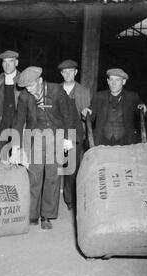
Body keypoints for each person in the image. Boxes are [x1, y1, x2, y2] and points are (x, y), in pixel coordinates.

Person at [11, 66, 75, 230]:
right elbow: (18, 120)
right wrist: (16, 146)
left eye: (31, 86)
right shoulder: (25, 95)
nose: (29, 90)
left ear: (40, 81)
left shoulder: (56, 91)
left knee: (52, 177)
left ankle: (47, 215)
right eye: (26, 87)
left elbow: (68, 115)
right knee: (35, 176)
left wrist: (68, 138)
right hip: (36, 138)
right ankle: (32, 214)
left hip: (56, 137)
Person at [58, 59, 91, 210]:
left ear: (76, 72)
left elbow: (87, 115)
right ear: (61, 73)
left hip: (74, 133)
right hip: (57, 132)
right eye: (64, 72)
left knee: (71, 167)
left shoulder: (84, 91)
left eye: (70, 71)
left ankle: (70, 200)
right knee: (56, 166)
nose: (67, 74)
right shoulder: (55, 89)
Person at [89, 68, 147, 146]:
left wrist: (144, 109)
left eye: (117, 80)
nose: (114, 83)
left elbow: (142, 111)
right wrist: (87, 112)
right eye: (111, 80)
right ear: (108, 81)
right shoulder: (99, 96)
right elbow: (91, 116)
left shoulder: (132, 97)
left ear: (123, 82)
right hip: (102, 140)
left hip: (125, 141)